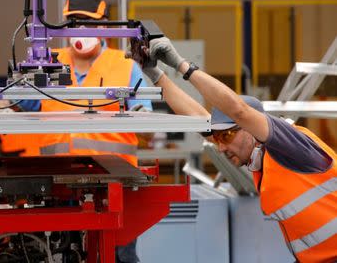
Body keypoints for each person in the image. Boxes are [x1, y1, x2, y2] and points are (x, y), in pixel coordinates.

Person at [136, 37, 337, 262]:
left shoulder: (292, 144)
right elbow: (199, 117)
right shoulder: (260, 157)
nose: (220, 147)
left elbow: (238, 111)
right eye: (218, 138)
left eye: (227, 136)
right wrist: (155, 74)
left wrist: (181, 64)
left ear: (250, 128)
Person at [0, 0, 150, 263]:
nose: (81, 29)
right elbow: (22, 105)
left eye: (89, 22)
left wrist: (140, 115)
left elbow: (147, 121)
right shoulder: (47, 61)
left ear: (105, 25)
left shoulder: (126, 66)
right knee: (58, 254)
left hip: (115, 186)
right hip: (57, 185)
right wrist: (10, 94)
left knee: (119, 257)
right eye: (74, 21)